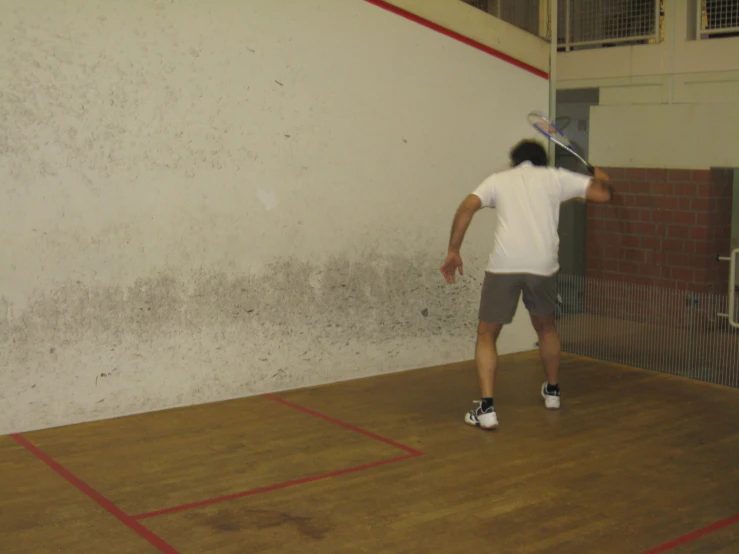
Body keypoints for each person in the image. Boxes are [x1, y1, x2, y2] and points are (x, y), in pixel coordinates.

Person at [440, 139, 613, 430]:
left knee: (486, 334)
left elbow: (467, 207)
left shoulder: (498, 179)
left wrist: (454, 250)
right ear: (541, 160)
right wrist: (603, 179)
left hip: (504, 266)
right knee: (546, 328)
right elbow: (602, 196)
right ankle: (553, 392)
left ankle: (487, 409)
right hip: (542, 266)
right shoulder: (556, 177)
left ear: (515, 160)